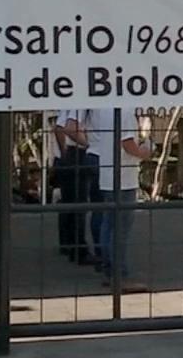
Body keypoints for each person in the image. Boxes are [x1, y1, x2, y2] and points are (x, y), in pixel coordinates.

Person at [85, 109, 153, 291]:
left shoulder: (106, 110)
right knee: (121, 228)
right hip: (123, 178)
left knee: (108, 224)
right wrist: (144, 151)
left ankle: (109, 270)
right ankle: (119, 275)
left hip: (107, 174)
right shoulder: (126, 112)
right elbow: (127, 143)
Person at [50, 111, 99, 264]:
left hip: (69, 155)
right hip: (76, 153)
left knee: (69, 202)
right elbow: (63, 128)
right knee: (78, 204)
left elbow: (59, 127)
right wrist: (88, 144)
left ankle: (68, 244)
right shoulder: (77, 106)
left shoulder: (68, 107)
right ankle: (79, 250)